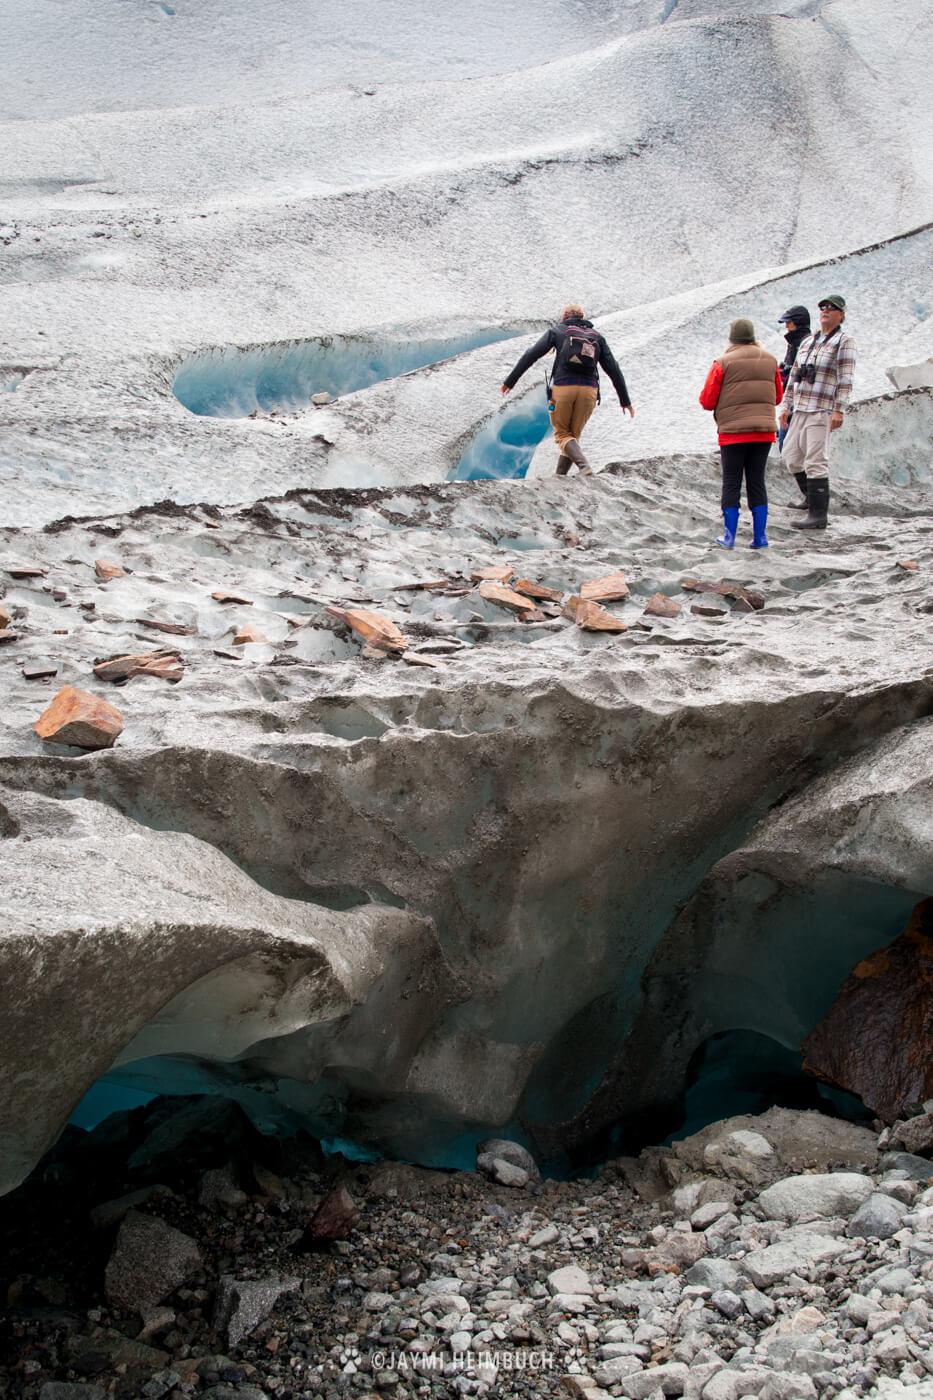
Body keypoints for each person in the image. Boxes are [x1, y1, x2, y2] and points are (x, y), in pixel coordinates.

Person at [500, 304, 634, 476]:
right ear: (583, 317)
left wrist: (510, 381)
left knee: (562, 434)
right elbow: (613, 369)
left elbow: (531, 354)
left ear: (564, 317)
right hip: (589, 392)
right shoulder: (597, 337)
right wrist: (625, 401)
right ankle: (560, 477)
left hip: (564, 387)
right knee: (572, 437)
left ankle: (584, 466)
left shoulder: (558, 331)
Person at [699, 318, 783, 549]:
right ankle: (760, 538)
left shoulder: (722, 362)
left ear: (732, 338)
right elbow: (777, 396)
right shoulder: (770, 360)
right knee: (757, 482)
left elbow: (706, 400)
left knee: (731, 482)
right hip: (764, 432)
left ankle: (729, 537)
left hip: (733, 432)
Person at [780, 294, 856, 531]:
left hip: (821, 408)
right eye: (823, 307)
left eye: (832, 308)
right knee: (791, 457)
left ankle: (818, 515)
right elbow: (794, 376)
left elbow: (845, 378)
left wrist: (839, 410)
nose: (826, 310)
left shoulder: (844, 341)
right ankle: (809, 500)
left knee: (815, 460)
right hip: (801, 407)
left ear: (841, 315)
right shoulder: (807, 342)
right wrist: (786, 406)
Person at [776, 305, 811, 506]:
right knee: (787, 446)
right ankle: (809, 496)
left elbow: (800, 374)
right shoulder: (794, 343)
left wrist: (785, 375)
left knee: (790, 446)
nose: (786, 326)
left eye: (788, 322)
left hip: (802, 404)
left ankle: (811, 497)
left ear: (797, 323)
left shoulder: (804, 343)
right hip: (793, 403)